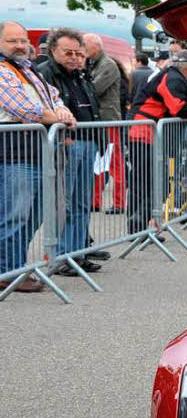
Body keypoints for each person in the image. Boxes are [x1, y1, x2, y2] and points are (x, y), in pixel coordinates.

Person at [0, 20, 76, 292]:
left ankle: (16, 268)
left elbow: (53, 97)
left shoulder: (28, 70)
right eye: (13, 41)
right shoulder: (3, 71)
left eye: (23, 40)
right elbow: (24, 109)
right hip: (14, 154)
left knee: (33, 216)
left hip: (38, 152)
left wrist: (61, 112)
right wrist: (58, 117)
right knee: (15, 215)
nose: (21, 46)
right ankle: (7, 272)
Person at [37, 28, 104, 275]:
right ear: (53, 51)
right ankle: (62, 256)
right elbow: (44, 108)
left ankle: (77, 253)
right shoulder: (44, 74)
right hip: (65, 145)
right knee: (64, 203)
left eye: (79, 53)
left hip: (87, 143)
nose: (75, 58)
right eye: (69, 53)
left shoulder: (82, 75)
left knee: (81, 202)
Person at [127, 51, 187, 236]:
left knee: (146, 180)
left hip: (148, 132)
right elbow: (177, 106)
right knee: (150, 181)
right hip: (144, 133)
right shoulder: (172, 78)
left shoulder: (173, 77)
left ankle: (140, 226)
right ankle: (139, 223)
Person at [84, 33, 126, 217]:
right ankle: (94, 200)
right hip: (99, 120)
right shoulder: (94, 64)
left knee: (115, 162)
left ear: (96, 47)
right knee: (97, 163)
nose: (82, 52)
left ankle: (119, 202)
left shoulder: (107, 65)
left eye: (85, 47)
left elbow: (94, 89)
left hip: (108, 120)